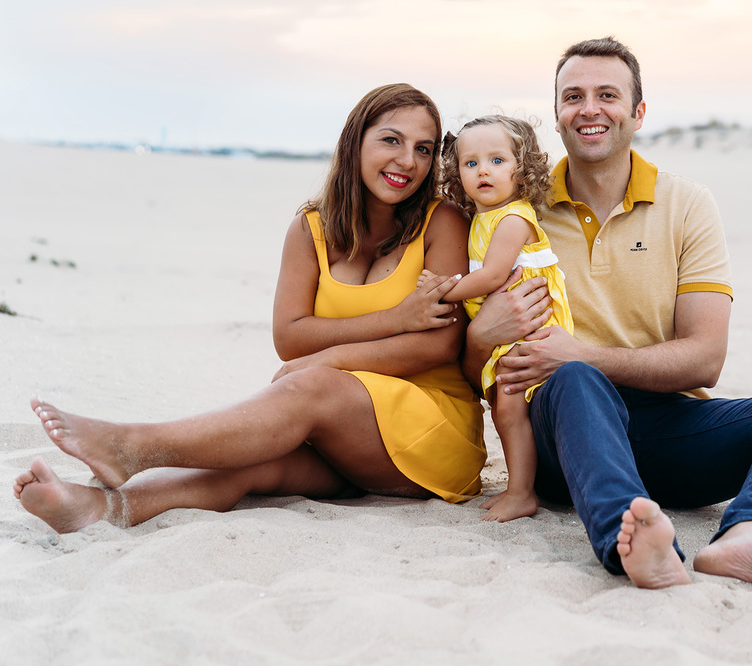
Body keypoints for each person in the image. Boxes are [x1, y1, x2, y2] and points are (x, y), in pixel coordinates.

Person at [463, 37, 752, 592]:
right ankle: (636, 548)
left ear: (638, 112)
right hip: (562, 431)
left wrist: (584, 354)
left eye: (608, 95)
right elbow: (470, 360)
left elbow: (704, 360)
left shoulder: (686, 204)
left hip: (667, 425)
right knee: (576, 379)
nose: (590, 109)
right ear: (556, 115)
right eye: (573, 96)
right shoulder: (513, 208)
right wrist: (481, 335)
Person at [13, 83, 487, 533]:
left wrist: (323, 361)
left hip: (433, 432)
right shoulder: (310, 229)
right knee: (247, 462)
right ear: (355, 141)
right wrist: (392, 321)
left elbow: (440, 343)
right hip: (345, 438)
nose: (408, 161)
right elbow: (290, 337)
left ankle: (131, 446)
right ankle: (100, 509)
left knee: (313, 387)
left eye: (424, 148)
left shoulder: (441, 221)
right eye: (392, 140)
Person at [418, 115, 573, 523]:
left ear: (523, 170)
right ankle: (520, 485)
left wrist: (441, 289)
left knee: (508, 410)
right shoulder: (482, 219)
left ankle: (522, 492)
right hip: (508, 328)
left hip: (533, 329)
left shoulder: (513, 218)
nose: (483, 170)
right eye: (470, 164)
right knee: (502, 407)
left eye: (497, 160)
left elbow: (492, 277)